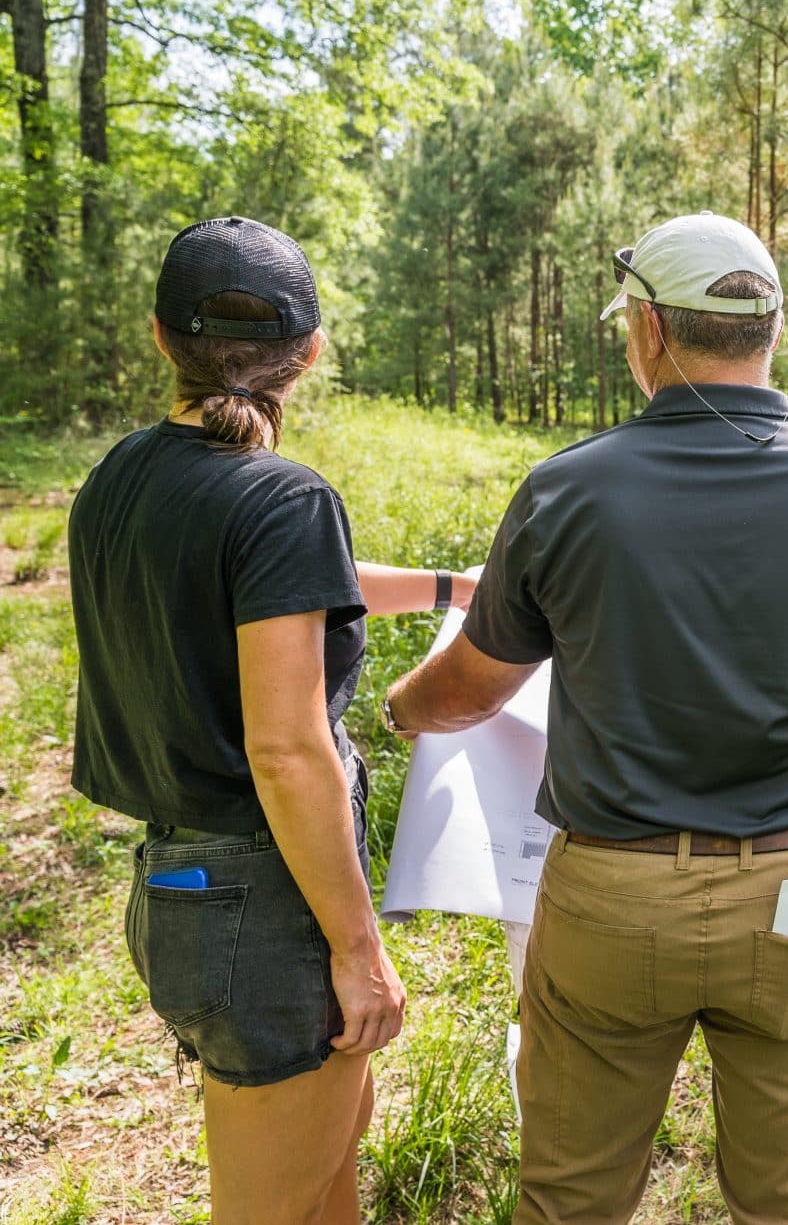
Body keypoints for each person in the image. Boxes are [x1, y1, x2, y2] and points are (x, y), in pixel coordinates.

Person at [383, 212, 788, 1225]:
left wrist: (397, 706)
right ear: (772, 330)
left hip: (612, 897)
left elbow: (472, 691)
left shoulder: (566, 492)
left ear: (647, 330)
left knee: (570, 1198)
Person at [68, 216, 474, 1225]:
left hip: (182, 894)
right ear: (312, 353)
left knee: (326, 1176)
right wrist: (355, 946)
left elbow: (265, 591)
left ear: (160, 337)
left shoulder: (121, 477)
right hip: (266, 906)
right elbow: (288, 749)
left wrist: (445, 587)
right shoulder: (280, 499)